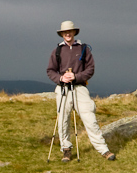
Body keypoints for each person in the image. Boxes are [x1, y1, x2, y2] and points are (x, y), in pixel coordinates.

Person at [47, 21, 116, 162]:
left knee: (90, 118)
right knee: (63, 120)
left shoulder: (84, 49)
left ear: (74, 32)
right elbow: (50, 70)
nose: (67, 34)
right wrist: (61, 78)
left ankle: (103, 149)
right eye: (64, 32)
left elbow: (90, 69)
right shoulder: (57, 51)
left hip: (80, 88)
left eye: (70, 31)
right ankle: (66, 149)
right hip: (63, 89)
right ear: (61, 34)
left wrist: (76, 76)